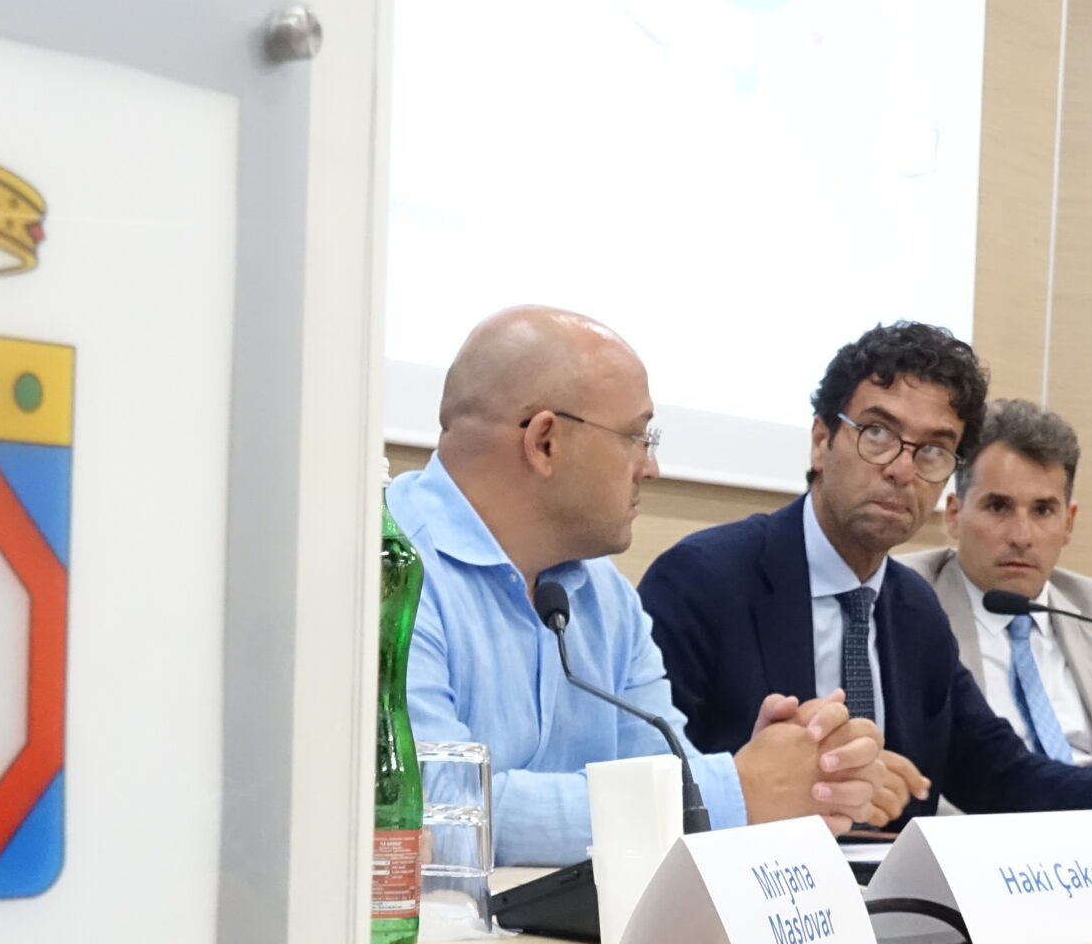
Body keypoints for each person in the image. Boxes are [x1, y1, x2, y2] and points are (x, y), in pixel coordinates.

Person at [390, 305, 912, 865]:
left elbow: (664, 773)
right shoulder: (382, 570)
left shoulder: (606, 596)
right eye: (638, 437)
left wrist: (790, 768)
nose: (651, 467)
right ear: (545, 442)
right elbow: (432, 811)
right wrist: (737, 790)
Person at [639, 322, 1092, 827]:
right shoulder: (705, 580)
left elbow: (993, 768)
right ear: (821, 441)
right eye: (878, 434)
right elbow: (648, 785)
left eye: (932, 450)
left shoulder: (916, 608)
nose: (902, 469)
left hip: (896, 880)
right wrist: (799, 781)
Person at [898, 398, 1092, 773]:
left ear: (1069, 522)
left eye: (1043, 510)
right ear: (955, 515)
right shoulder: (904, 605)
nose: (1022, 536)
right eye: (998, 507)